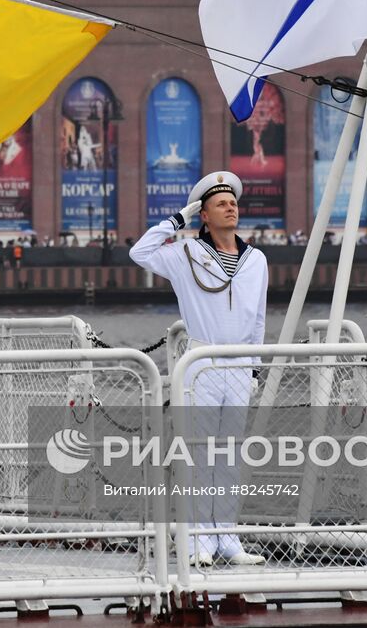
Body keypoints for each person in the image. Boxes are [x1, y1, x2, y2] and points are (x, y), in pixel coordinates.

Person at [129, 171, 268, 568]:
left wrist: (255, 369)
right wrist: (177, 220)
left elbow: (257, 319)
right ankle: (196, 542)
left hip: (240, 364)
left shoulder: (257, 260)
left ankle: (226, 538)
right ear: (203, 214)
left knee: (229, 456)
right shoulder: (184, 253)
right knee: (198, 455)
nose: (231, 207)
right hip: (201, 362)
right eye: (221, 203)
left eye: (233, 202)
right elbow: (139, 253)